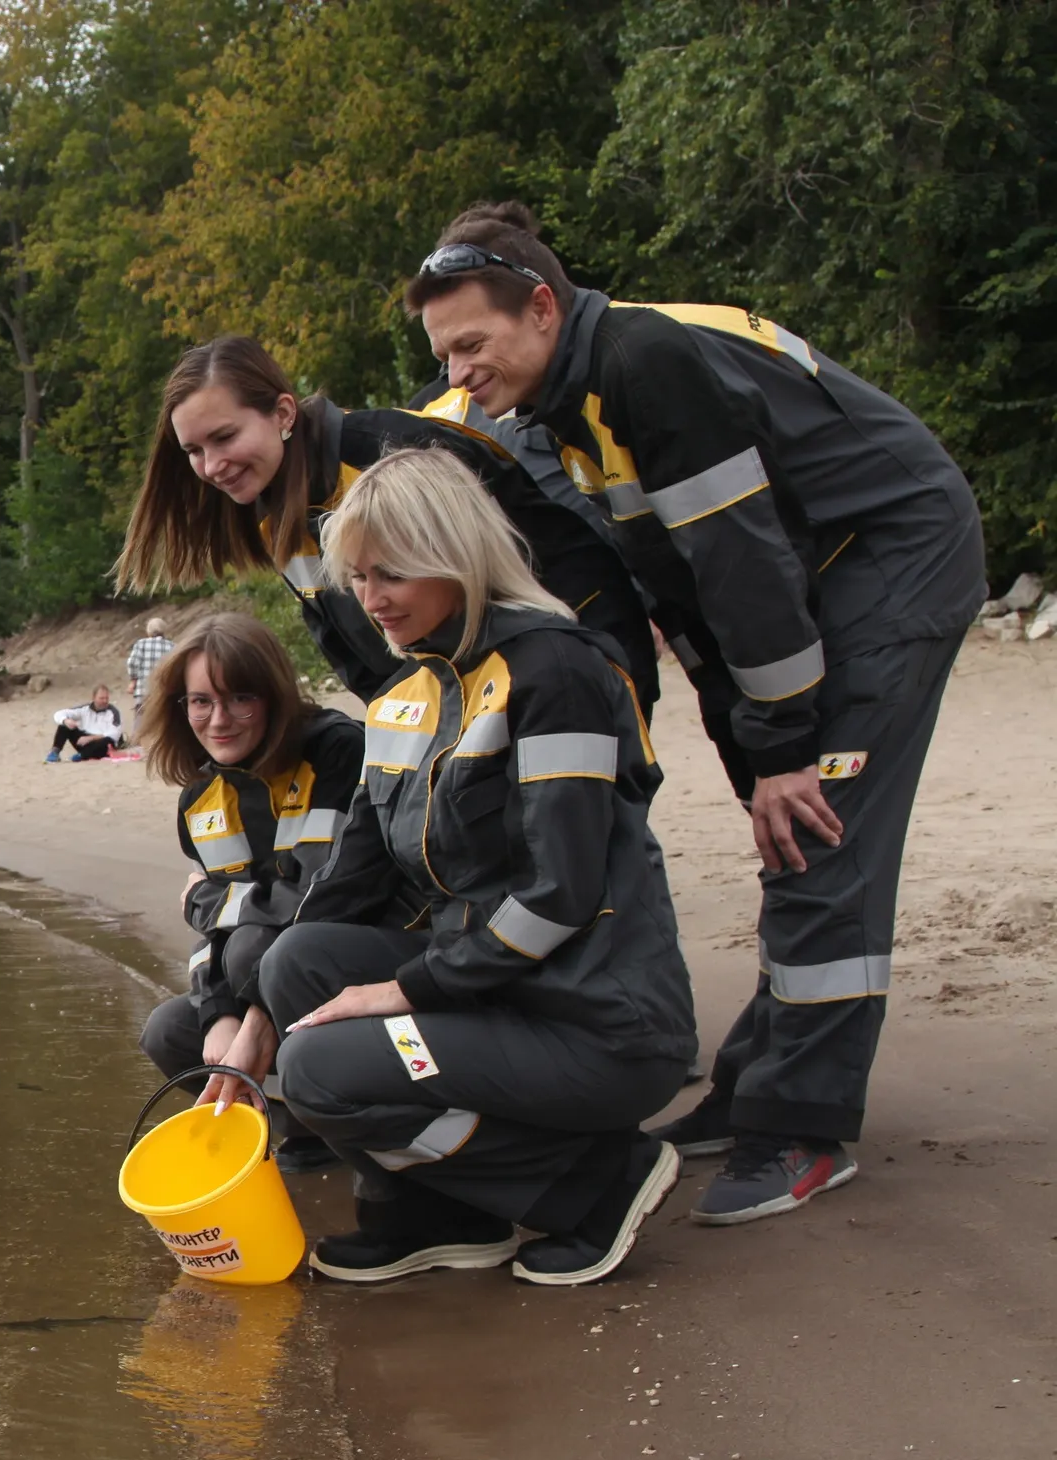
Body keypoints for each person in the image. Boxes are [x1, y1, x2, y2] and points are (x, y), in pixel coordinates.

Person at [406, 201, 987, 1226]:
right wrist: (751, 750)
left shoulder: (643, 363)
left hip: (890, 559)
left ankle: (801, 1126)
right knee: (784, 815)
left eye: (470, 345)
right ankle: (757, 1078)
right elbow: (681, 586)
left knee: (819, 831)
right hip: (806, 578)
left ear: (539, 308)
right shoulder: (564, 399)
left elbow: (741, 563)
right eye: (441, 354)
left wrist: (787, 749)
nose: (457, 373)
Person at [261, 448, 697, 1286]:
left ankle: (594, 1184)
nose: (371, 600)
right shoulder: (404, 698)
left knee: (318, 1071)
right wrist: (252, 1016)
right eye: (358, 577)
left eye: (392, 572)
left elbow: (560, 895)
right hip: (495, 1000)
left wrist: (404, 990)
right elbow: (346, 886)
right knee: (294, 963)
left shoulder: (556, 670)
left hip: (596, 1024)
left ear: (455, 554)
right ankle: (436, 1213)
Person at [114, 335, 654, 712]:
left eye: (225, 437)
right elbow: (356, 658)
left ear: (282, 414)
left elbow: (553, 563)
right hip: (462, 706)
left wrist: (603, 678)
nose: (212, 466)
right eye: (194, 451)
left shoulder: (396, 454)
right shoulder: (272, 513)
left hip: (571, 671)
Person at [132, 611, 400, 1172]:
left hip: (364, 954)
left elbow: (321, 898)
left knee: (256, 947)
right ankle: (301, 1127)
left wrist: (203, 902)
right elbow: (221, 932)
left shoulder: (335, 751)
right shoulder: (200, 798)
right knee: (169, 1032)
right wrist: (218, 1015)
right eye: (201, 701)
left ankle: (350, 1116)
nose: (219, 720)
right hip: (271, 965)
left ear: (274, 696)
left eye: (240, 699)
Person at [47, 687, 125, 762]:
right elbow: (59, 714)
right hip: (83, 741)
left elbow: (115, 733)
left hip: (101, 742)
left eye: (106, 698)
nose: (105, 701)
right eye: (101, 698)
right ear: (94, 698)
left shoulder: (113, 712)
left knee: (107, 741)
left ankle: (82, 755)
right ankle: (54, 752)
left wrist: (91, 738)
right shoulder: (84, 709)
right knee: (64, 726)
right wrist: (66, 720)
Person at [126, 617, 173, 716]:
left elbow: (132, 663)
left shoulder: (141, 644)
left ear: (149, 631)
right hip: (164, 693)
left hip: (143, 691)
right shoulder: (172, 646)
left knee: (141, 722)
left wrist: (133, 680)